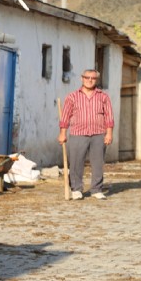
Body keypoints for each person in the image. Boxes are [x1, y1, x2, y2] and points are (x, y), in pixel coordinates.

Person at [57, 69, 114, 200]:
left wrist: (109, 133)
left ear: (96, 80)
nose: (90, 80)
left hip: (98, 133)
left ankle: (96, 189)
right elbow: (65, 117)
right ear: (82, 78)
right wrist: (62, 133)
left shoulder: (103, 97)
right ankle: (76, 189)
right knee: (76, 162)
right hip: (78, 133)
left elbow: (109, 116)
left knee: (98, 163)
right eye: (87, 77)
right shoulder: (72, 97)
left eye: (93, 78)